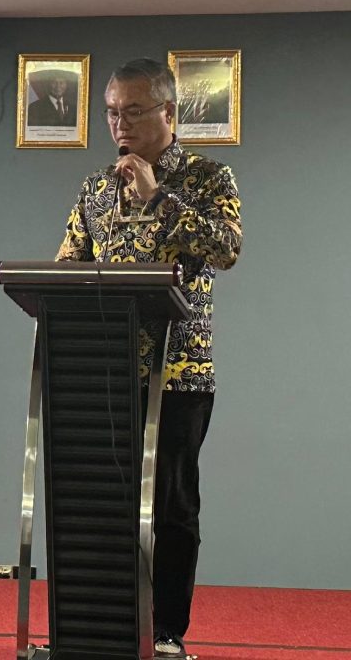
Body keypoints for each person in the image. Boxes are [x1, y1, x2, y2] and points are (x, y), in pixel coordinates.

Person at [55, 58, 242, 659]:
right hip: (104, 372)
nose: (120, 124)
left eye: (133, 111)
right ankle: (106, 625)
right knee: (102, 505)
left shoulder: (208, 177)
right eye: (111, 112)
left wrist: (157, 196)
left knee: (172, 507)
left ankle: (166, 633)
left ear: (168, 111)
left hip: (179, 373)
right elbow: (66, 267)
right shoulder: (95, 188)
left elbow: (226, 248)